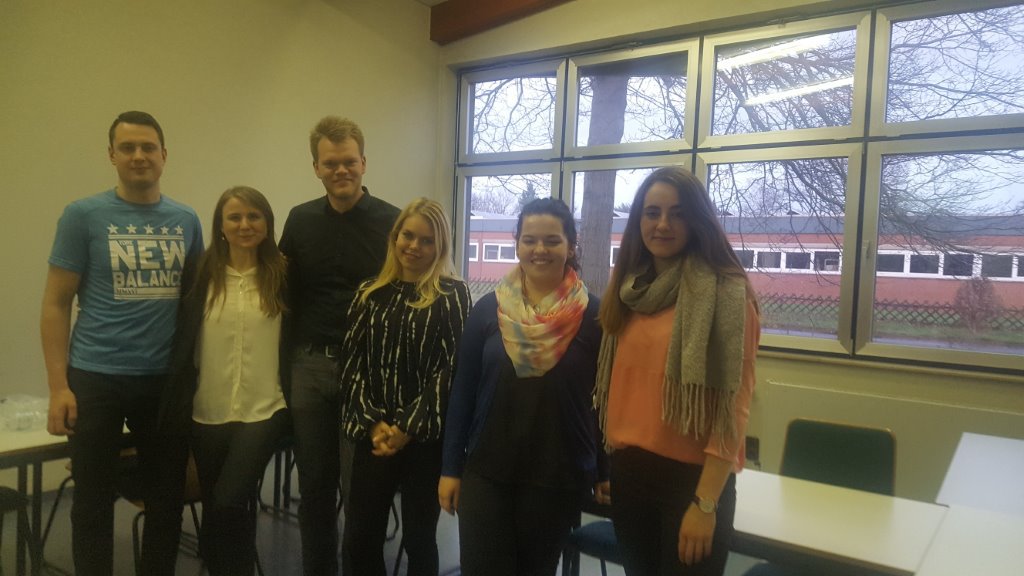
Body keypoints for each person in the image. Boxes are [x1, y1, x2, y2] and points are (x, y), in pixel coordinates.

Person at [40, 110, 203, 576]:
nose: (138, 155)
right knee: (92, 500)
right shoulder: (82, 215)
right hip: (96, 377)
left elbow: (195, 305)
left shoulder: (186, 220)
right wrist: (58, 387)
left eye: (148, 147)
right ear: (111, 155)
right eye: (127, 147)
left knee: (166, 498)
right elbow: (55, 304)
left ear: (164, 155)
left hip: (164, 382)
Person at [595, 166, 761, 576]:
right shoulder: (628, 290)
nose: (663, 224)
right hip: (630, 475)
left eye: (678, 213)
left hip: (692, 483)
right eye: (652, 213)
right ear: (639, 221)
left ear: (697, 220)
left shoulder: (727, 294)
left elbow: (734, 408)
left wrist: (705, 503)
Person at [439, 197, 608, 576]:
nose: (540, 249)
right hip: (487, 471)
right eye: (530, 240)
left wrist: (604, 469)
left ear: (571, 246)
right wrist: (450, 467)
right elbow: (462, 393)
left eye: (552, 240)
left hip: (557, 475)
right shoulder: (488, 309)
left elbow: (604, 401)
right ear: (516, 243)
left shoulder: (594, 316)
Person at [278, 116, 400, 575]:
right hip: (309, 366)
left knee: (359, 491)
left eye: (349, 161)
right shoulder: (300, 220)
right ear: (316, 168)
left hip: (366, 373)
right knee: (314, 487)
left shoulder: (393, 222)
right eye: (330, 163)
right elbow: (283, 291)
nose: (340, 170)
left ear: (364, 162)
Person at [160, 186, 290, 575]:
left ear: (267, 223)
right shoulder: (200, 273)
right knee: (218, 508)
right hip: (207, 410)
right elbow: (183, 339)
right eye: (235, 217)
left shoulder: (283, 274)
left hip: (264, 408)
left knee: (230, 500)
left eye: (254, 216)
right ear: (220, 225)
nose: (244, 224)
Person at [339, 198, 471, 576]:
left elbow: (451, 369)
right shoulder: (369, 292)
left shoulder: (452, 295)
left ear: (440, 246)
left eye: (427, 240)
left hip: (424, 440)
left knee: (419, 540)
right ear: (394, 237)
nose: (414, 246)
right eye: (407, 236)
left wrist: (407, 428)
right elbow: (351, 364)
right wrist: (373, 423)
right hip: (374, 435)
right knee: (360, 537)